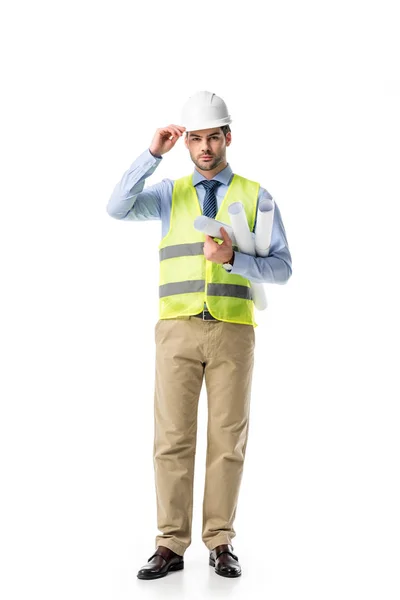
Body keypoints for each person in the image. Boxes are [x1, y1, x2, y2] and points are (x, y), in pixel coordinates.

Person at [106, 91, 292, 579]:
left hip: (233, 330)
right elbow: (117, 207)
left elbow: (283, 269)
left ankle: (220, 541)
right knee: (171, 439)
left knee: (228, 440)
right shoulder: (169, 194)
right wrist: (151, 156)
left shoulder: (256, 196)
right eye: (196, 139)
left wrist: (233, 259)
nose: (205, 147)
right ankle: (170, 543)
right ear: (185, 142)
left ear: (228, 137)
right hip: (176, 330)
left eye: (213, 137)